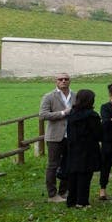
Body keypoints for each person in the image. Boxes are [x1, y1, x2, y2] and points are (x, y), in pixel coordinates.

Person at [64, 88, 103, 208]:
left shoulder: (72, 113)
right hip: (88, 148)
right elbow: (98, 133)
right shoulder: (92, 115)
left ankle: (71, 200)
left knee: (73, 173)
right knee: (85, 175)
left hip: (73, 147)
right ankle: (82, 201)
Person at [39, 73, 74, 202]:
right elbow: (43, 115)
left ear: (70, 81)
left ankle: (64, 191)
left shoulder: (75, 96)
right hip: (54, 136)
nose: (63, 81)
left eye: (66, 79)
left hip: (71, 136)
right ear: (56, 81)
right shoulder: (49, 96)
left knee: (68, 164)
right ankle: (52, 195)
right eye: (60, 79)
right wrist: (63, 113)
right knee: (53, 165)